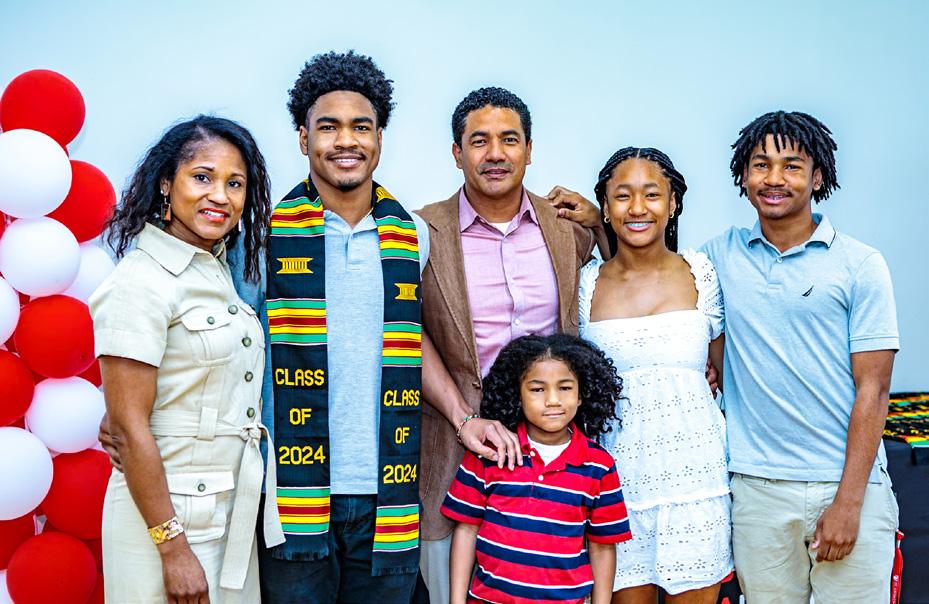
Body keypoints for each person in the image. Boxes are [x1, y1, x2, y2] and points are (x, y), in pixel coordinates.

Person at [250, 50, 432, 604]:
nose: (345, 141)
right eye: (328, 127)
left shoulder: (415, 234)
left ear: (379, 138)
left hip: (389, 492)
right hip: (290, 494)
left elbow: (417, 340)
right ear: (303, 138)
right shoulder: (264, 235)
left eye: (361, 126)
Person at [416, 86, 610, 603]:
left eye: (509, 139)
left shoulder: (567, 227)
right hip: (457, 444)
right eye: (479, 141)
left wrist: (600, 223)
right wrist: (462, 418)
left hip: (556, 452)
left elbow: (621, 281)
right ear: (457, 153)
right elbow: (405, 331)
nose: (495, 153)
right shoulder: (421, 230)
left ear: (529, 149)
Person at [701, 111, 900, 602]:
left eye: (791, 166)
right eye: (761, 164)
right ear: (743, 176)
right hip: (757, 490)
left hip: (846, 484)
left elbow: (874, 389)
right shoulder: (717, 258)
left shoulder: (860, 264)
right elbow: (649, 269)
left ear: (817, 178)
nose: (774, 178)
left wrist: (849, 503)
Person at [90, 115, 278, 603]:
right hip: (165, 523)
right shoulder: (140, 281)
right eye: (202, 177)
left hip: (228, 514)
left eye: (234, 183)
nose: (220, 196)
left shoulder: (220, 272)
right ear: (166, 185)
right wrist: (172, 550)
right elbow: (127, 427)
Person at [576, 147, 731, 602]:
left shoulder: (702, 273)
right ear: (606, 208)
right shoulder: (585, 284)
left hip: (696, 484)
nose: (638, 208)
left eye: (652, 194)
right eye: (623, 196)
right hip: (615, 487)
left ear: (673, 203)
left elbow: (724, 374)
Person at [442, 334, 632, 604]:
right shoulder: (490, 453)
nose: (553, 400)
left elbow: (602, 547)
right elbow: (467, 531)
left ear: (581, 395)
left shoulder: (599, 466)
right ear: (518, 395)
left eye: (565, 387)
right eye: (537, 389)